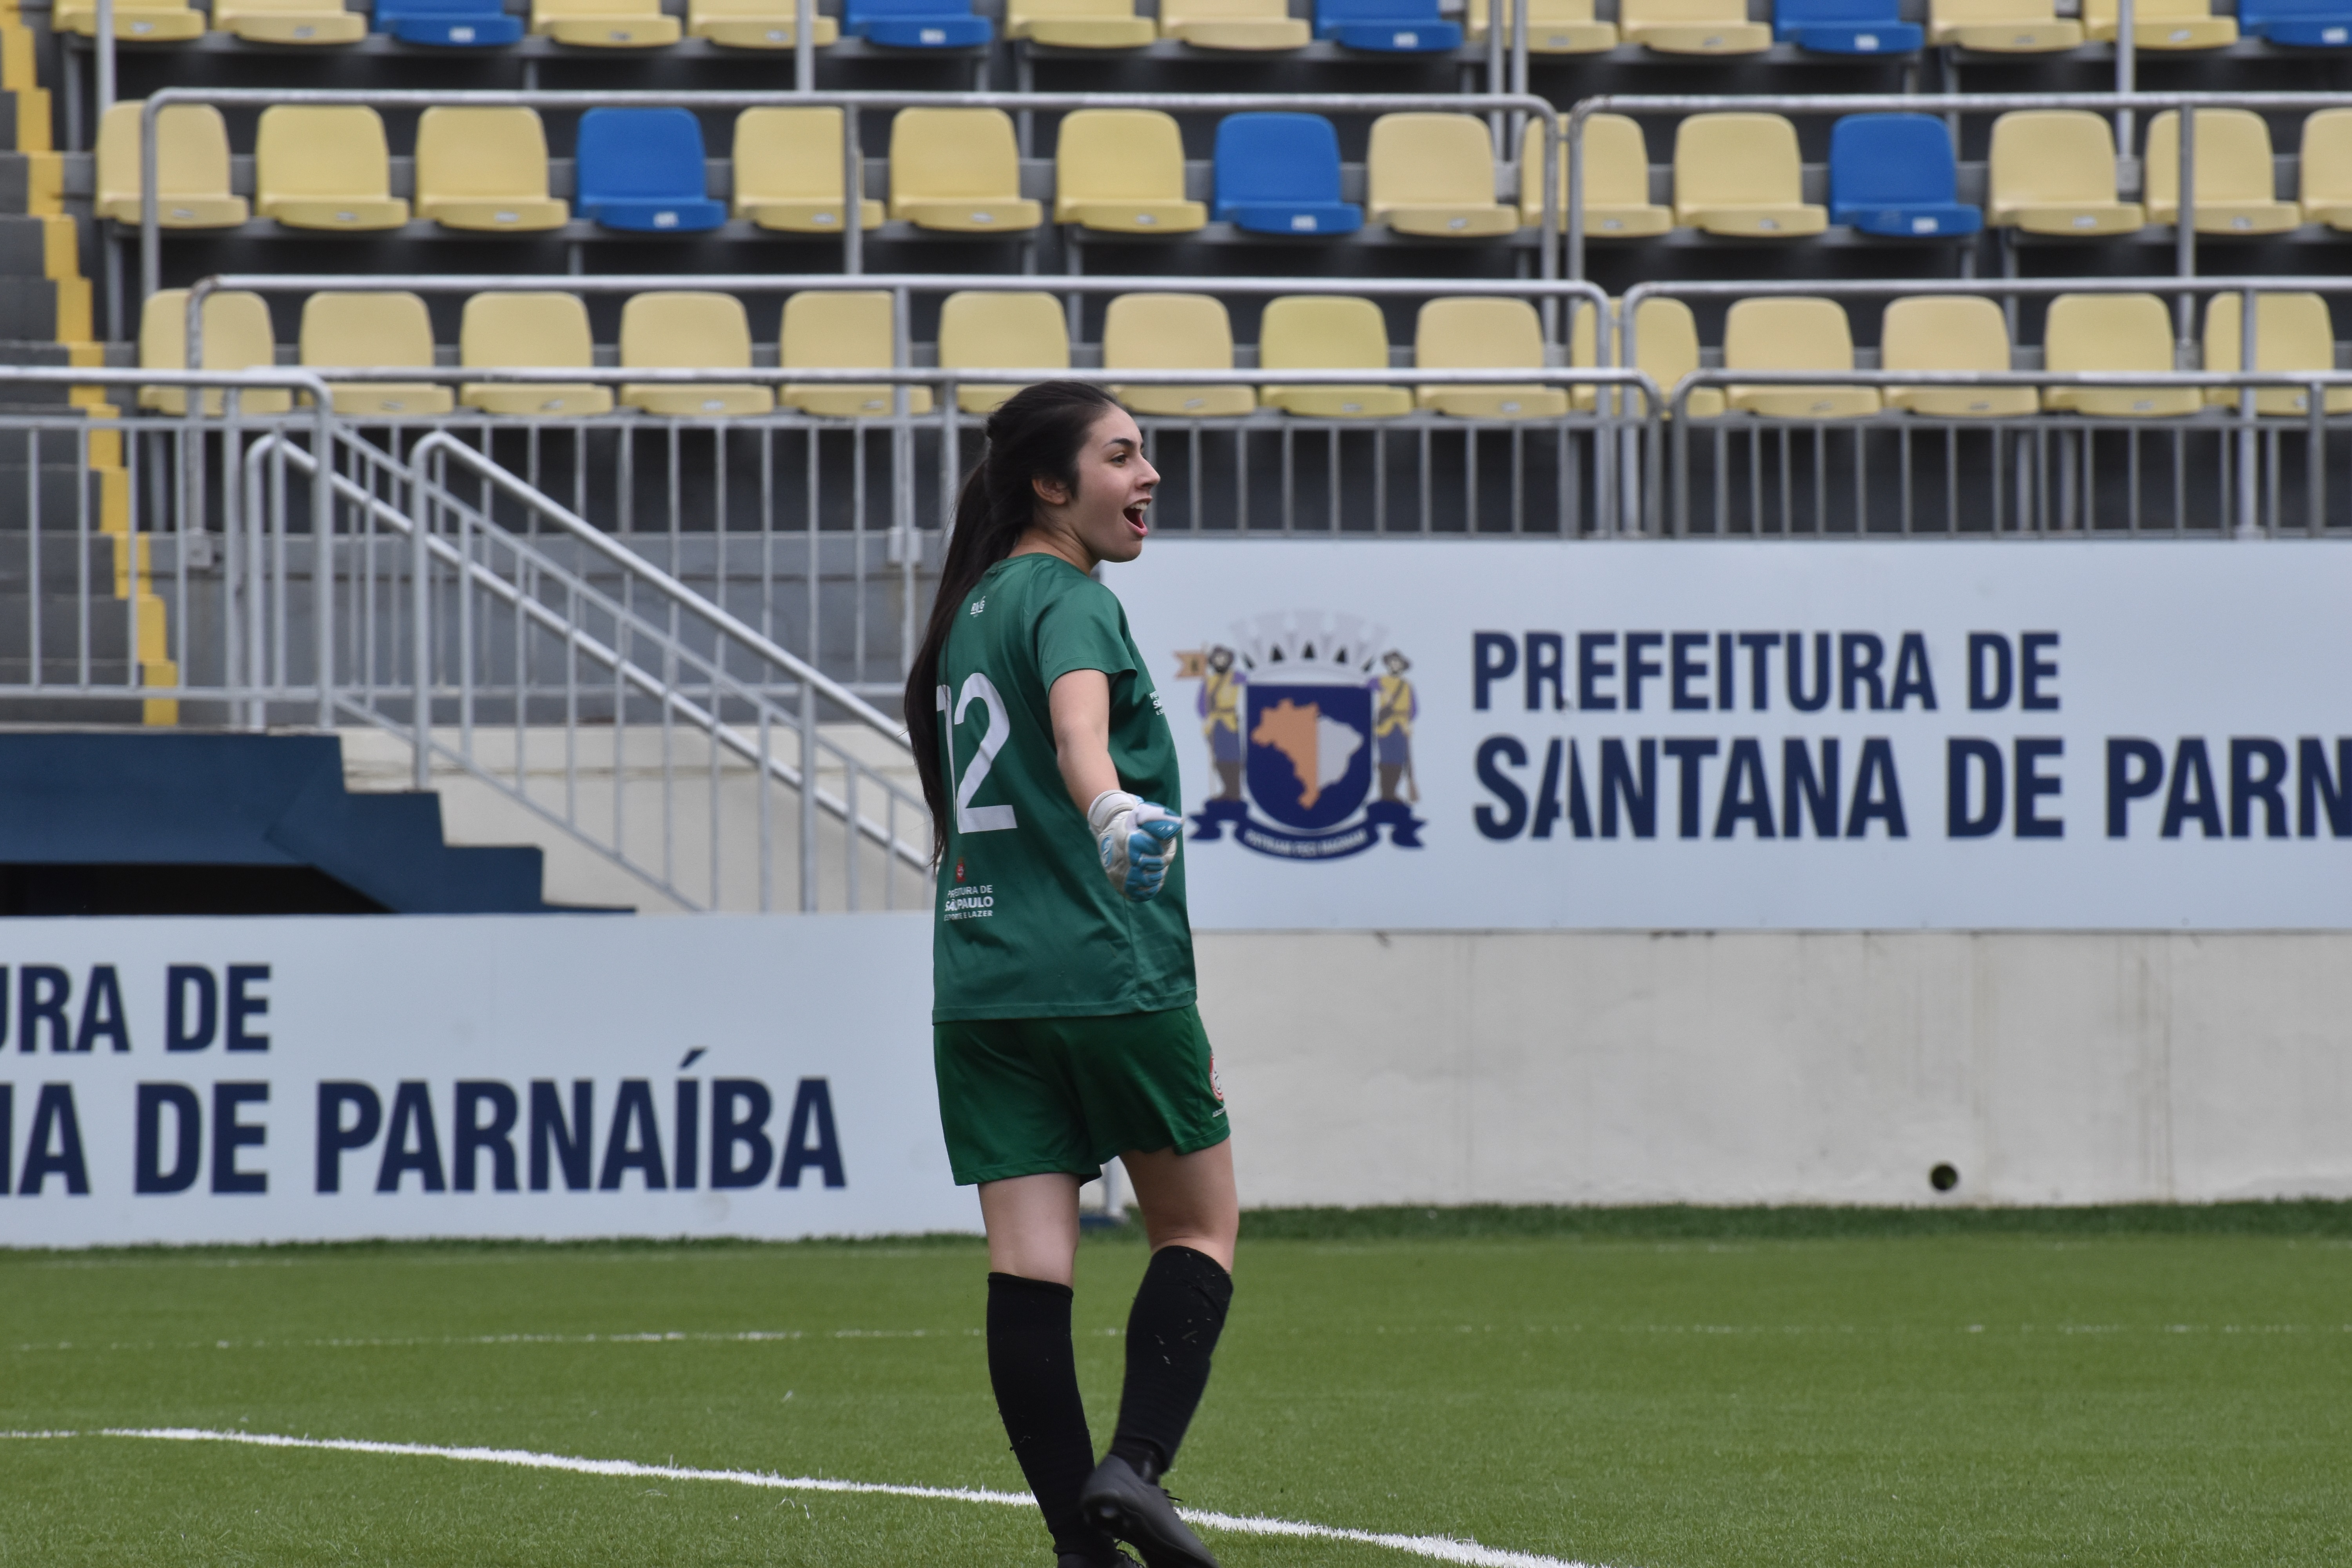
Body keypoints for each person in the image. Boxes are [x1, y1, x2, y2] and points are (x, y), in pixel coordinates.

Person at [903, 381, 1238, 1568]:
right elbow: (1080, 738)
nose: (1148, 476)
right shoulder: (1070, 599)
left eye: (1147, 455)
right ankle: (1135, 1471)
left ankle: (1080, 1550)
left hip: (983, 983)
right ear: (1052, 487)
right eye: (1121, 456)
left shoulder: (969, 610)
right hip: (1105, 969)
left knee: (1030, 1261)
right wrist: (1109, 812)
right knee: (1198, 1225)